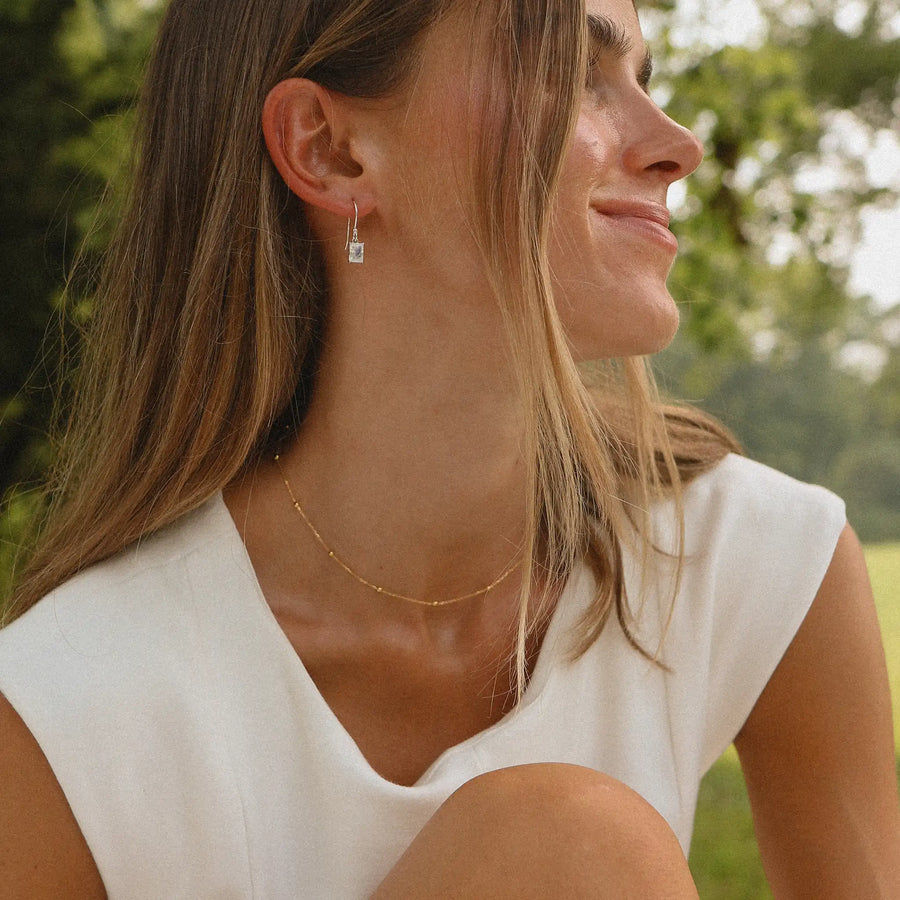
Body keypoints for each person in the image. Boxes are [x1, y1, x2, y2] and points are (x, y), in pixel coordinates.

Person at [1, 0, 898, 895]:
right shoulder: (64, 715)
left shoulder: (750, 563)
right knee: (569, 849)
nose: (676, 144)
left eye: (643, 80)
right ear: (329, 148)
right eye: (571, 74)